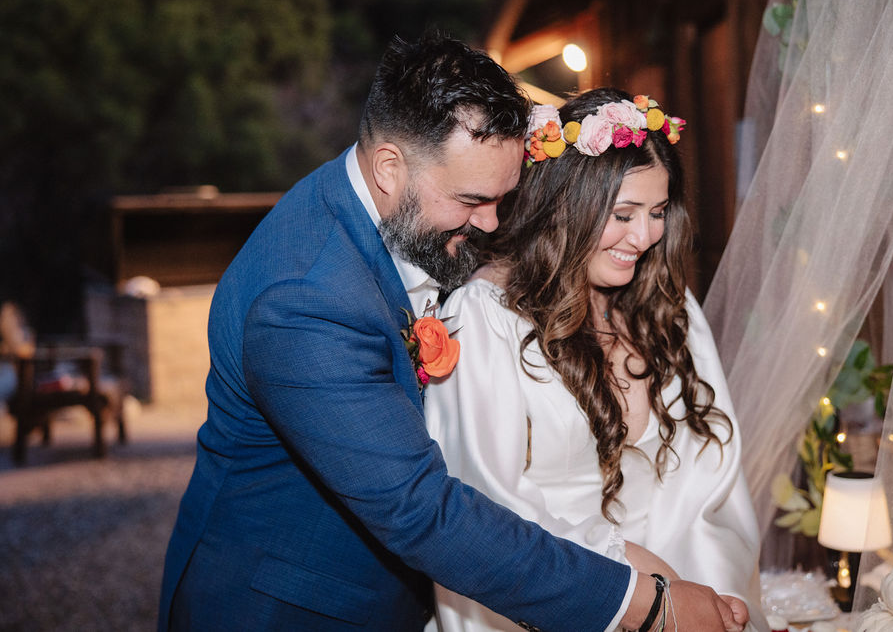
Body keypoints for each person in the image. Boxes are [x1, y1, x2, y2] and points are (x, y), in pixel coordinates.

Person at [159, 34, 747, 632]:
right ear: (390, 166)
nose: (492, 221)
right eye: (472, 199)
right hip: (293, 607)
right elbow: (421, 511)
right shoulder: (305, 299)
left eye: (503, 198)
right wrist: (642, 604)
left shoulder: (390, 209)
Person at [424, 88, 765, 632]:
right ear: (564, 206)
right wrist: (643, 588)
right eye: (623, 213)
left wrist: (713, 601)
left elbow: (709, 487)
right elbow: (485, 503)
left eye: (657, 212)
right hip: (551, 604)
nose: (646, 236)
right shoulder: (486, 319)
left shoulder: (669, 311)